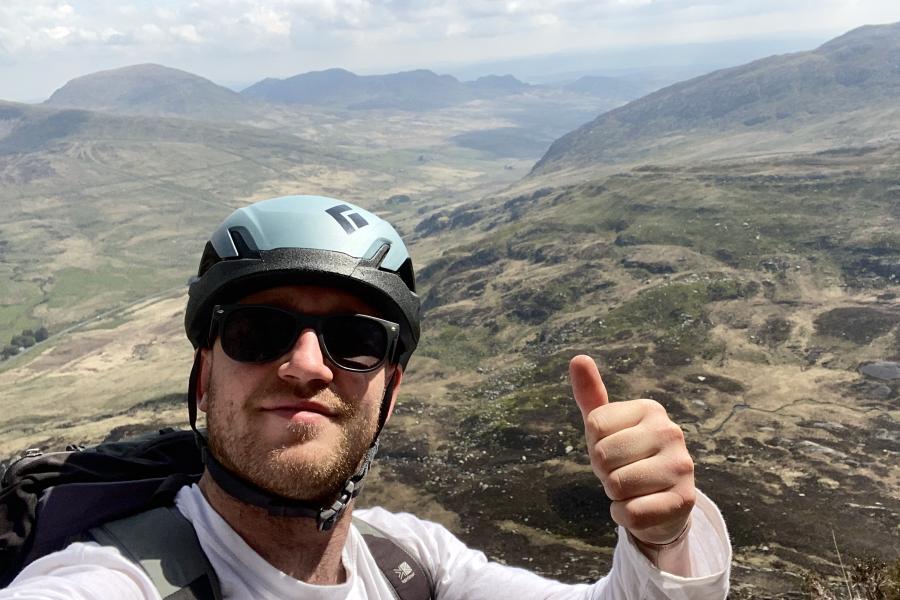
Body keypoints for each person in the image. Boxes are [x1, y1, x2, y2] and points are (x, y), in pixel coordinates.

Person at [1, 195, 731, 599]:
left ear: (391, 387)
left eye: (355, 339)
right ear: (203, 374)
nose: (306, 366)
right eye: (260, 330)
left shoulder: (415, 563)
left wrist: (662, 536)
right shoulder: (110, 580)